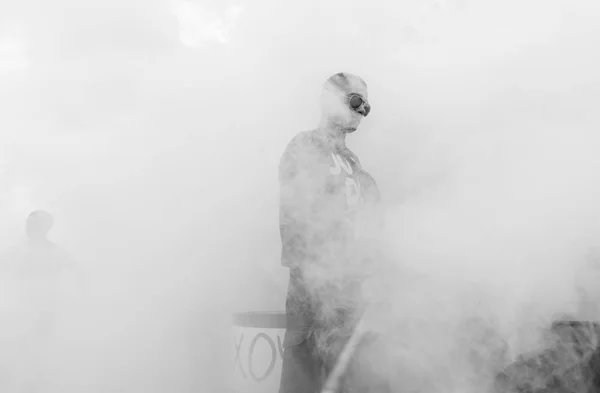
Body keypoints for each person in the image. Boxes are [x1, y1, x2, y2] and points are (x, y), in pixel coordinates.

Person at [278, 73, 387, 393]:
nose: (362, 110)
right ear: (330, 99)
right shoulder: (305, 145)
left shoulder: (356, 166)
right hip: (312, 291)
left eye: (367, 106)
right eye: (356, 100)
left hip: (349, 297)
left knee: (346, 382)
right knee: (303, 380)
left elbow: (372, 227)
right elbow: (295, 215)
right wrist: (316, 277)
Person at [0, 210, 80, 393]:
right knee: (15, 353)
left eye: (34, 225)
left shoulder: (56, 252)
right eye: (29, 225)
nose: (29, 228)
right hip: (17, 312)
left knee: (38, 354)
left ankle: (34, 384)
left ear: (45, 228)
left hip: (44, 312)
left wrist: (82, 299)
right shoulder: (15, 250)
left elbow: (77, 272)